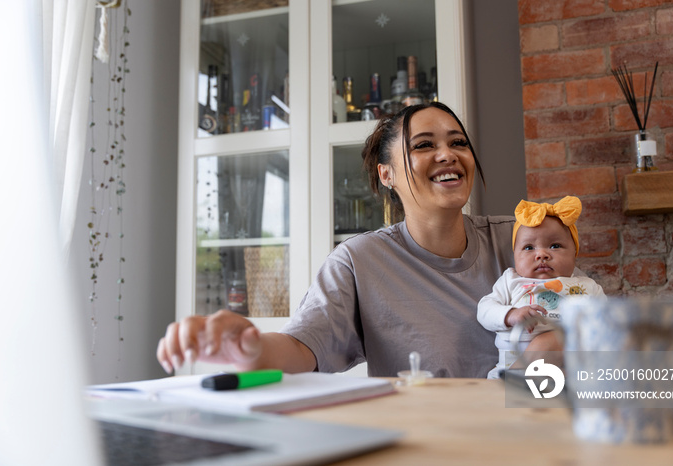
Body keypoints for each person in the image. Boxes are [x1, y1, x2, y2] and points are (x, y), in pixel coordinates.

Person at [158, 101, 535, 378]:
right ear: (386, 174)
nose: (447, 155)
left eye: (458, 143)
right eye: (423, 145)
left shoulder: (521, 239)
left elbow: (586, 348)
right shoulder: (360, 261)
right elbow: (303, 346)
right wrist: (248, 345)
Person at [477, 196, 605, 379]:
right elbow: (484, 309)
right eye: (529, 248)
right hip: (512, 366)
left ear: (574, 254)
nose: (542, 254)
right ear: (515, 256)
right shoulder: (511, 280)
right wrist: (511, 314)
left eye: (555, 246)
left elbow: (606, 323)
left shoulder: (588, 287)